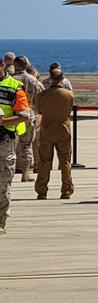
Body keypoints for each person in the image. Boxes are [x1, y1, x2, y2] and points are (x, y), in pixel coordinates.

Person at [1, 65, 32, 233]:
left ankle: (0, 222)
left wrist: (3, 121)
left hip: (4, 142)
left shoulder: (14, 87)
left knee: (3, 185)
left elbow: (24, 115)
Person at [34, 68, 74, 200]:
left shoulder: (43, 95)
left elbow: (38, 110)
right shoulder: (69, 95)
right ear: (62, 79)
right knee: (65, 161)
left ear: (50, 78)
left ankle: (42, 190)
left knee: (44, 161)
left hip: (47, 130)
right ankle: (66, 190)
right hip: (63, 129)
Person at [11, 56, 42, 182]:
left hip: (12, 117)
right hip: (28, 115)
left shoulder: (10, 79)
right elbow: (37, 99)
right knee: (26, 146)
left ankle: (10, 172)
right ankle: (25, 173)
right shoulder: (32, 80)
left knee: (10, 147)